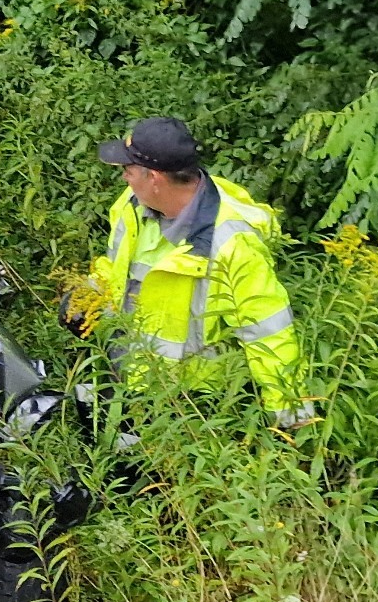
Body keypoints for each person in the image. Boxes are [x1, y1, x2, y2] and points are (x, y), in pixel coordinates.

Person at [60, 117, 314, 429]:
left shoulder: (231, 244)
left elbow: (268, 333)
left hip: (190, 407)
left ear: (154, 177)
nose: (124, 176)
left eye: (128, 169)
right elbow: (116, 266)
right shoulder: (132, 205)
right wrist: (90, 293)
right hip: (125, 372)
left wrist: (290, 420)